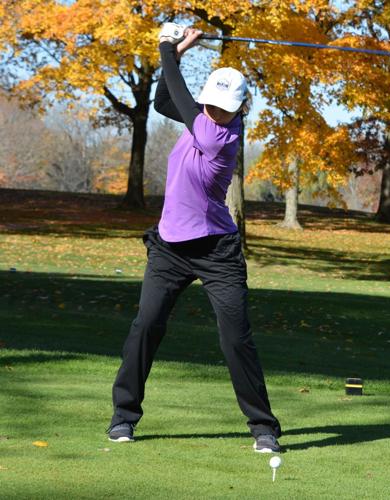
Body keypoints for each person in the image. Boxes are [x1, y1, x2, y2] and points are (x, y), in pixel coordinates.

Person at [106, 27, 281, 453]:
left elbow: (179, 97)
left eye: (225, 108)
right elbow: (165, 99)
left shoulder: (220, 136)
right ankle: (123, 417)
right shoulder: (200, 116)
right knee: (146, 325)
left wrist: (166, 46)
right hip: (169, 247)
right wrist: (179, 52)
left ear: (237, 110)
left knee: (235, 337)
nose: (216, 112)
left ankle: (263, 427)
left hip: (216, 251)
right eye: (212, 105)